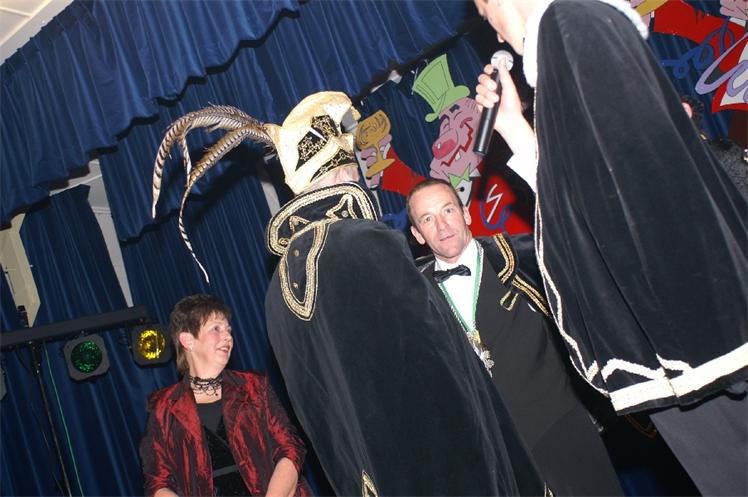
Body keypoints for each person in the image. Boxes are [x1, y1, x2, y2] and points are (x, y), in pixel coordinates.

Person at [472, 0, 748, 495]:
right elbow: (586, 197)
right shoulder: (565, 39)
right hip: (677, 337)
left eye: (484, 11)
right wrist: (512, 124)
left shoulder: (571, 25)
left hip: (688, 337)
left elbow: (637, 190)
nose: (492, 32)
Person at [262, 91, 548, 496]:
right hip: (446, 474)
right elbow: (441, 363)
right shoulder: (364, 241)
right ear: (344, 176)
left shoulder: (274, 296)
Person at [408, 178, 623, 496]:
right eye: (427, 219)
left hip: (561, 429)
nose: (442, 225)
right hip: (493, 459)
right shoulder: (411, 296)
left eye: (448, 210)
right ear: (417, 234)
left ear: (466, 213)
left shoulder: (523, 257)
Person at [139, 294, 311, 497]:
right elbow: (157, 482)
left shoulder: (254, 387)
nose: (228, 336)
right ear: (188, 340)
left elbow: (290, 448)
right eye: (216, 329)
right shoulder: (163, 407)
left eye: (228, 330)